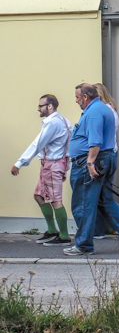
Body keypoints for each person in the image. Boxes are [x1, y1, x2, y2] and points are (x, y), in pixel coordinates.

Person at [64, 83, 119, 256]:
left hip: (88, 162)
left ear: (85, 97)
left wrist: (90, 163)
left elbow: (95, 140)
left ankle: (83, 245)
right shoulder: (103, 108)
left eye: (77, 97)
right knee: (103, 200)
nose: (76, 101)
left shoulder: (94, 112)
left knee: (83, 204)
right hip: (104, 159)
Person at [10, 94, 72, 246]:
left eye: (41, 106)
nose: (38, 108)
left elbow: (38, 143)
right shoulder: (62, 121)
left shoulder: (53, 123)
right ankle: (52, 231)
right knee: (39, 196)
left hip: (53, 164)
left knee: (56, 200)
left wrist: (20, 162)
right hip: (52, 164)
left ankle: (64, 236)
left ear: (50, 106)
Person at [92, 82, 119, 239]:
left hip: (103, 155)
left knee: (104, 197)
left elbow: (98, 135)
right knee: (103, 196)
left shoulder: (103, 111)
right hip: (110, 154)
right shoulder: (111, 110)